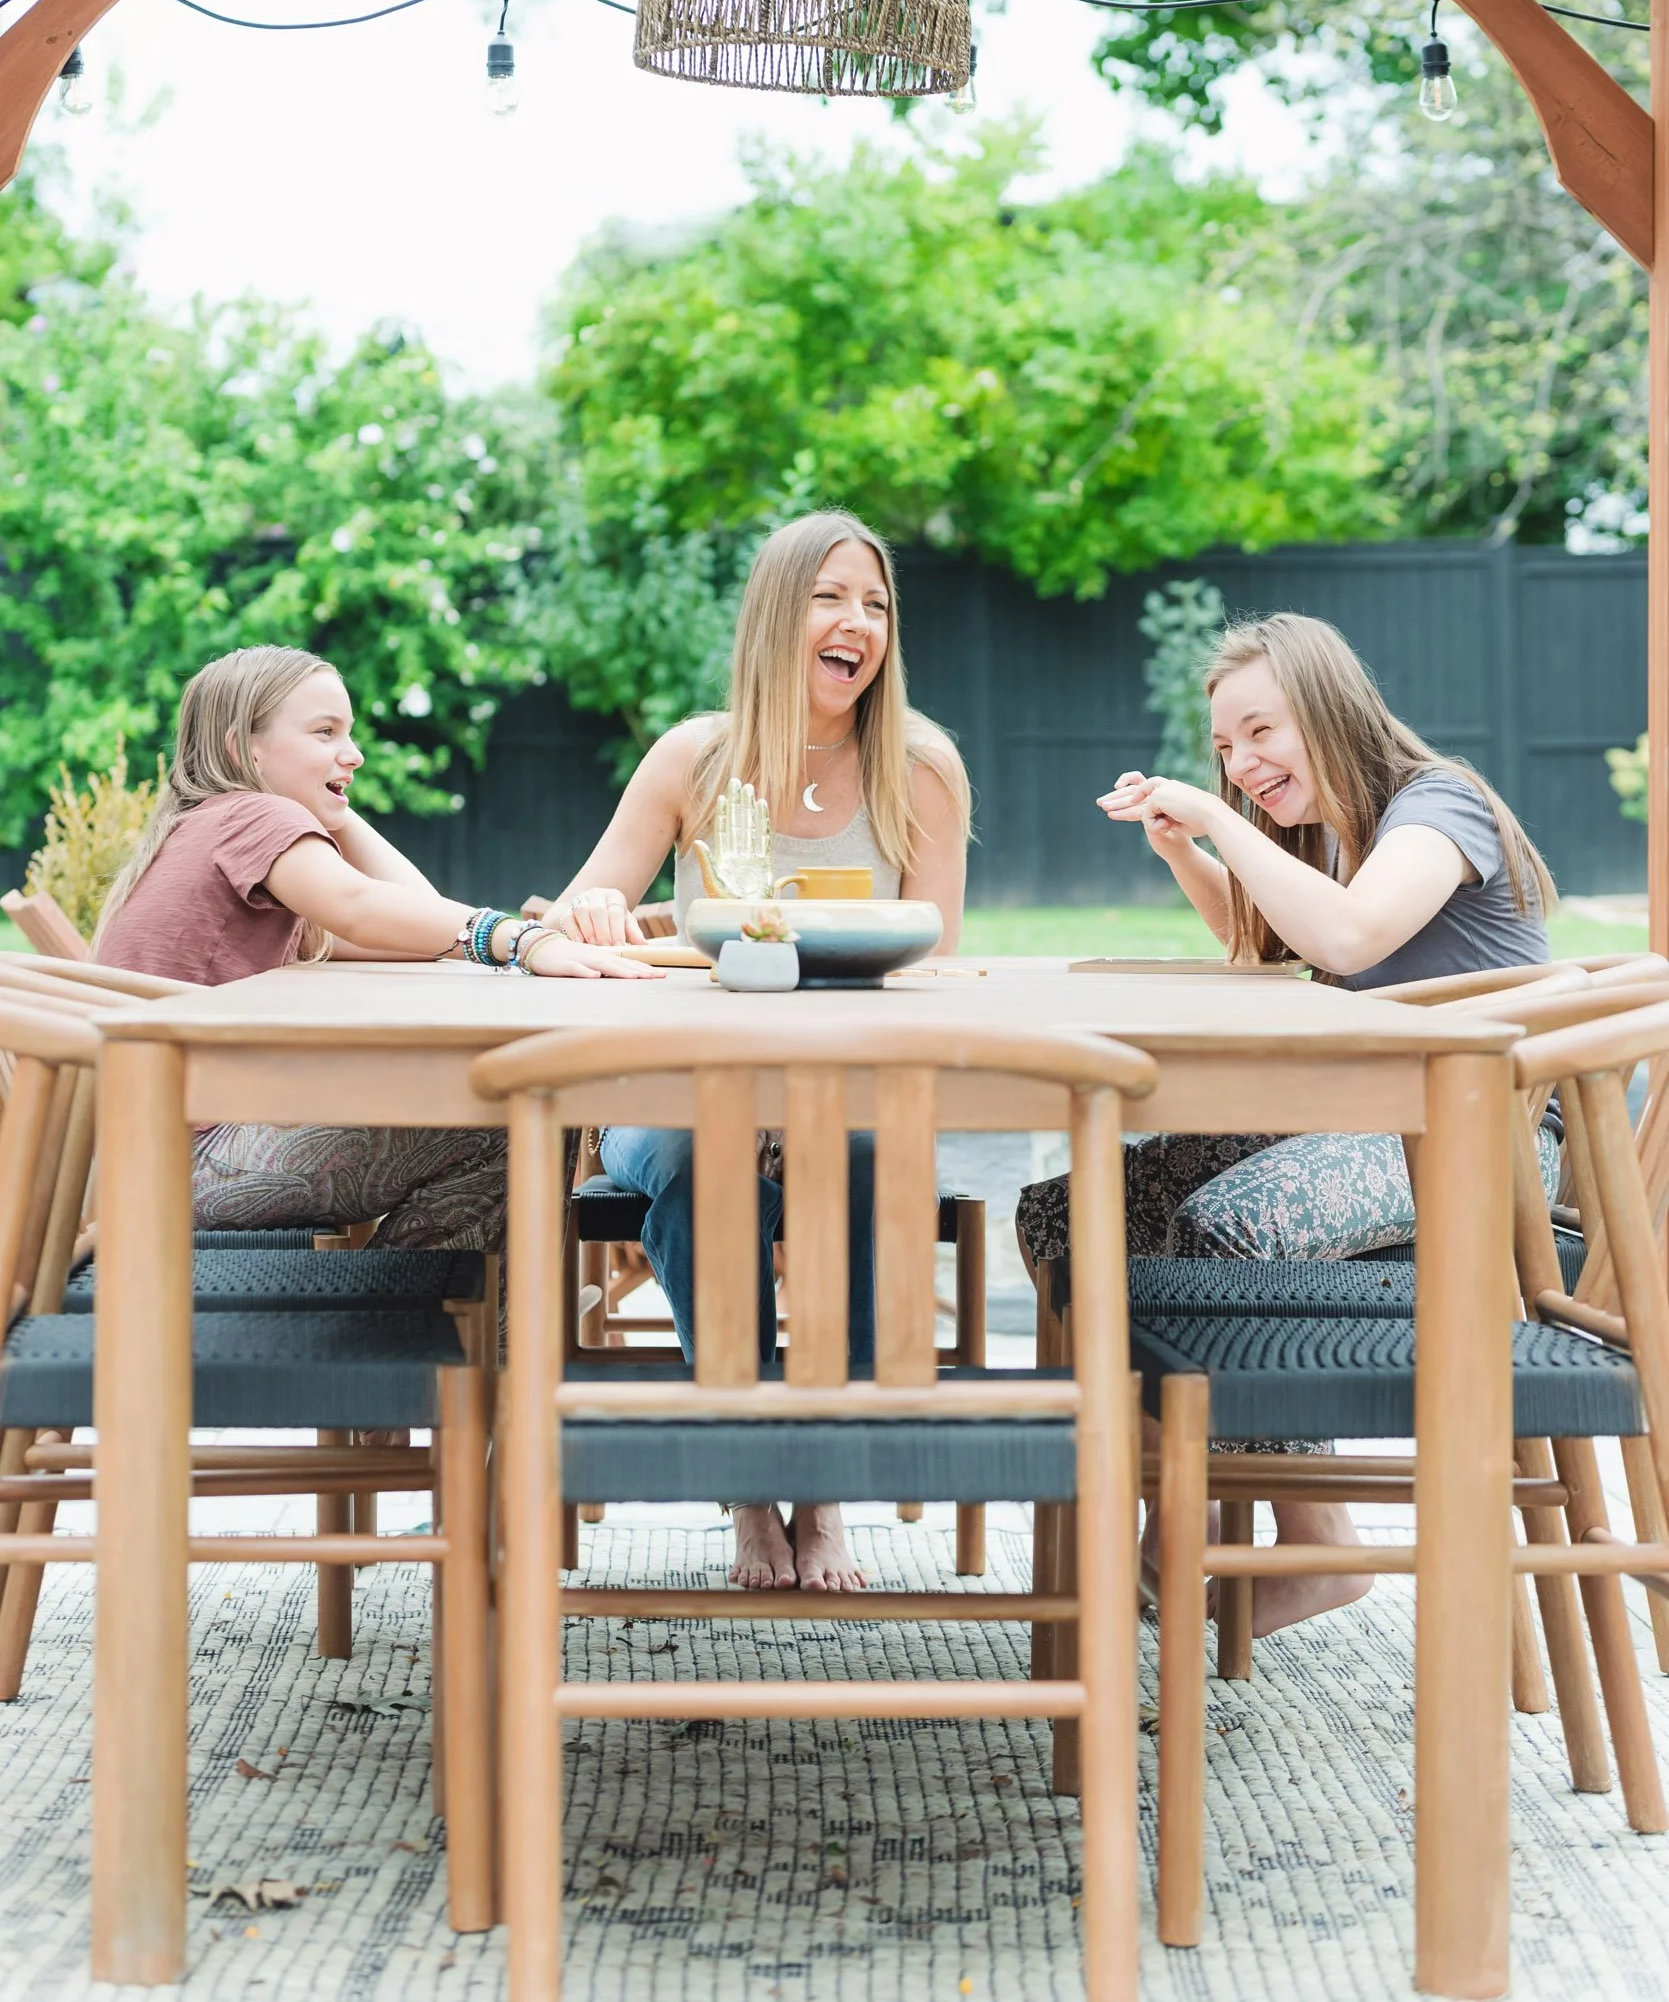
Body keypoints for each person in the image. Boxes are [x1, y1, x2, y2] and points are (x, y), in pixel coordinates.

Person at [1015, 610, 1559, 1634]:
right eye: (1224, 747)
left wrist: (1219, 820)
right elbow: (1274, 948)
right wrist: (1187, 846)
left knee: (1232, 1232)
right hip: (1380, 1127)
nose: (1241, 762)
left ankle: (1313, 1542)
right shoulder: (1342, 836)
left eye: (1260, 731)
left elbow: (1350, 937)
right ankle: (1142, 1494)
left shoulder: (1438, 807)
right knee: (1070, 1210)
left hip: (1482, 1145)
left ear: (1326, 704)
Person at [544, 509, 971, 1592]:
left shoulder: (919, 768)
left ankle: (822, 1493)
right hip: (680, 1097)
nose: (856, 623)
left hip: (851, 1091)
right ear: (779, 615)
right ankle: (745, 1486)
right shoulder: (695, 756)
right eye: (831, 597)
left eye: (874, 604)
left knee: (864, 1160)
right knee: (698, 1163)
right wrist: (600, 911)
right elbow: (593, 890)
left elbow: (932, 963)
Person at [96, 645, 653, 1250]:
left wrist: (335, 806)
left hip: (150, 1155)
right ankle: (406, 1326)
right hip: (186, 1160)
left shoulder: (214, 830)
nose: (353, 753)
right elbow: (362, 908)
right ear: (242, 749)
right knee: (519, 1120)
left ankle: (407, 1319)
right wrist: (519, 938)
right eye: (325, 732)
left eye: (350, 734)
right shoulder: (249, 818)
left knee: (508, 1119)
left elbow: (417, 920)